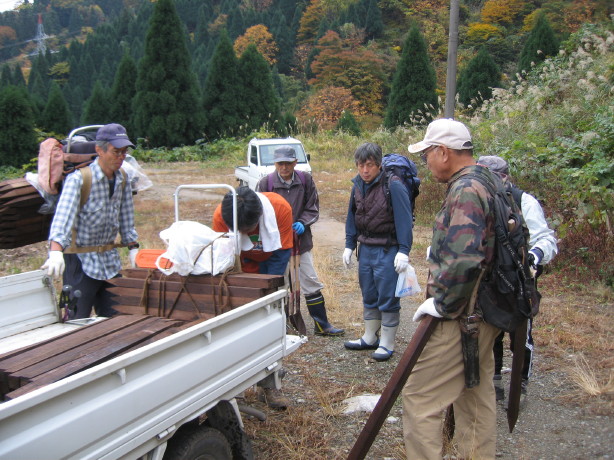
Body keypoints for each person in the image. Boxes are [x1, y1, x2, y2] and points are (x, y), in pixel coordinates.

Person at [402, 118, 501, 459]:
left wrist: (442, 303)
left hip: (464, 315)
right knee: (475, 395)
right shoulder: (490, 179)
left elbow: (464, 259)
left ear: (443, 152)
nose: (426, 161)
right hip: (491, 310)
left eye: (427, 153)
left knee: (420, 396)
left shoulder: (465, 191)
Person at [478, 155, 558, 404]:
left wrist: (534, 255)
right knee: (492, 330)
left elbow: (546, 239)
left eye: (494, 177)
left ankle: (520, 385)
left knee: (521, 334)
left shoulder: (525, 201)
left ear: (505, 176)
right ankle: (494, 382)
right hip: (490, 279)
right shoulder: (479, 199)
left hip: (522, 279)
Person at [41, 123, 139, 319]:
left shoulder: (123, 178)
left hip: (110, 262)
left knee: (117, 317)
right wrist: (55, 251)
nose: (121, 157)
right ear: (99, 150)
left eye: (124, 152)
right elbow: (63, 217)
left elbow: (126, 216)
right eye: (116, 151)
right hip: (80, 262)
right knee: (75, 320)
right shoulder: (79, 180)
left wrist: (133, 247)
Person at [212, 186, 293, 409]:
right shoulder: (222, 215)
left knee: (269, 324)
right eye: (242, 231)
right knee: (236, 327)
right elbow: (224, 258)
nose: (246, 235)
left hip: (271, 262)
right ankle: (234, 389)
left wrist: (265, 292)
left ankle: (269, 386)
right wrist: (241, 287)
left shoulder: (279, 208)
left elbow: (281, 255)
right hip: (239, 267)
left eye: (249, 229)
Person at [257, 146, 344, 336]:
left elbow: (312, 207)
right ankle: (280, 327)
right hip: (276, 245)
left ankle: (322, 325)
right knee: (279, 284)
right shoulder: (266, 183)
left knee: (310, 281)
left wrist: (302, 223)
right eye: (281, 163)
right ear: (275, 163)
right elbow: (259, 213)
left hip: (300, 242)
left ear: (295, 162)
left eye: (288, 163)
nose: (284, 167)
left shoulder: (305, 180)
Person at [342, 142, 413, 361]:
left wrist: (403, 250)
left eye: (370, 165)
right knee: (369, 293)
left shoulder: (393, 185)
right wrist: (348, 244)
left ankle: (387, 343)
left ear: (379, 165)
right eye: (361, 165)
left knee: (388, 296)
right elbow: (351, 217)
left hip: (387, 249)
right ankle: (370, 336)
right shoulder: (357, 186)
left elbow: (404, 220)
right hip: (365, 249)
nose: (365, 170)